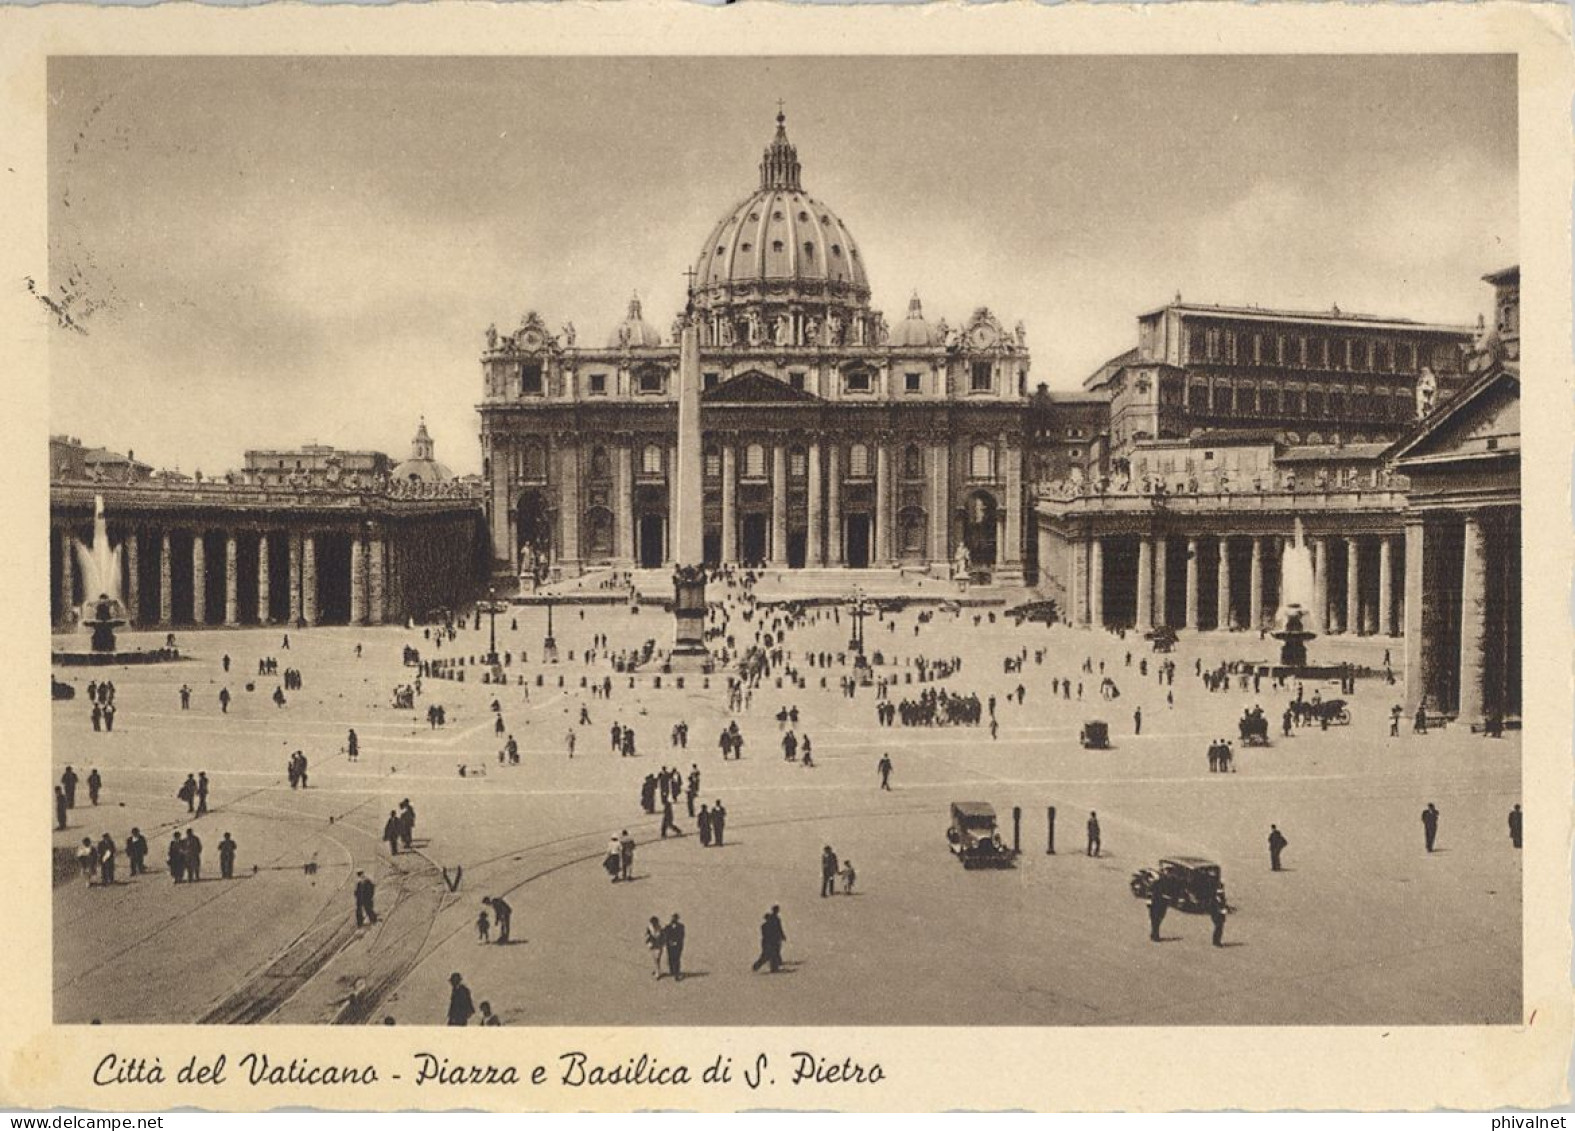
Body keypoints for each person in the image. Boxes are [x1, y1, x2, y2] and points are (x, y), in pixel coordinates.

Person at [752, 905, 787, 973]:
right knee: (768, 955)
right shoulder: (770, 923)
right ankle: (757, 966)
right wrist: (781, 936)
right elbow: (778, 929)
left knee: (772, 954)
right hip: (770, 941)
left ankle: (774, 967)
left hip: (769, 941)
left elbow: (778, 929)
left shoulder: (766, 925)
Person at [663, 913, 685, 982]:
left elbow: (681, 936)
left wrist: (676, 942)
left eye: (675, 918)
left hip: (678, 946)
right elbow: (665, 935)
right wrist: (669, 942)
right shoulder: (667, 927)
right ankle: (672, 971)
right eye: (672, 918)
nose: (673, 920)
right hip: (669, 945)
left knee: (676, 959)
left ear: (677, 919)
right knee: (670, 958)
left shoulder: (681, 926)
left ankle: (676, 973)